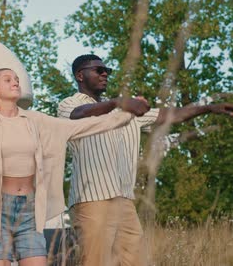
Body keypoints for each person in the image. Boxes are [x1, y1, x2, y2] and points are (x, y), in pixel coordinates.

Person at [0, 68, 139, 266]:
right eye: (8, 80)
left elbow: (80, 127)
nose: (15, 82)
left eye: (16, 79)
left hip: (29, 210)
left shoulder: (34, 120)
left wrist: (124, 116)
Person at [58, 54, 233, 266]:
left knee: (137, 261)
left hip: (124, 200)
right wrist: (118, 102)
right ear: (80, 75)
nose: (105, 74)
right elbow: (79, 114)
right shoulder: (69, 103)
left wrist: (208, 108)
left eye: (108, 71)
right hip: (92, 199)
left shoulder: (126, 110)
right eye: (98, 70)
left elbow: (170, 115)